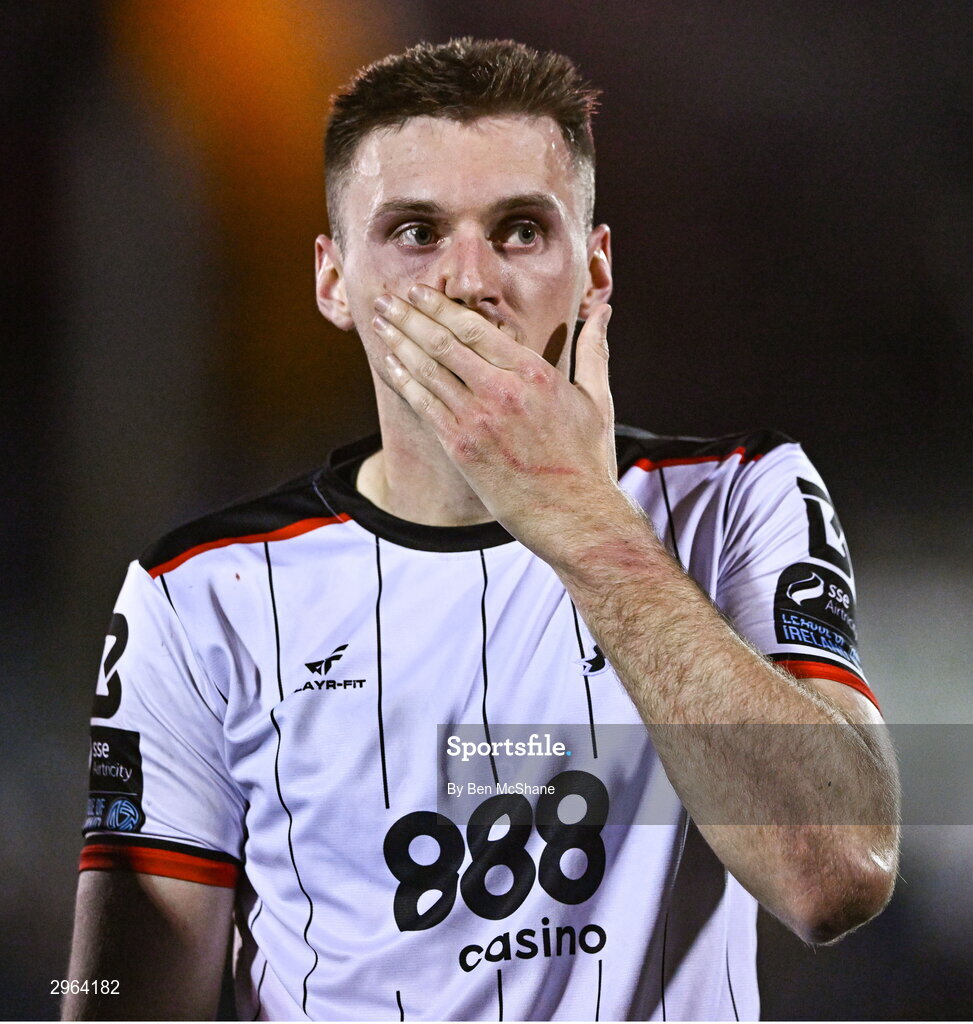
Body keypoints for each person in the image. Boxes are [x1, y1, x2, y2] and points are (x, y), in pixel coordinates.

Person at [64, 38, 900, 1021]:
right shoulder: (200, 592)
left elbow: (836, 872)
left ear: (594, 272)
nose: (468, 283)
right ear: (333, 282)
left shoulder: (738, 497)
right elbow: (113, 1002)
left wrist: (585, 522)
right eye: (416, 232)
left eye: (519, 230)